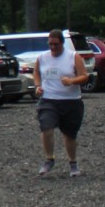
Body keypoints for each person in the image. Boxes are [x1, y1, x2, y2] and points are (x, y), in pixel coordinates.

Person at [34, 28, 88, 178]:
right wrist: (38, 85)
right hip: (49, 99)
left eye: (56, 44)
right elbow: (36, 72)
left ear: (62, 43)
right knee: (46, 128)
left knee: (70, 135)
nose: (53, 47)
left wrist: (71, 81)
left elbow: (84, 76)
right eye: (50, 44)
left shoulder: (73, 57)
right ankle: (49, 159)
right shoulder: (42, 57)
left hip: (71, 101)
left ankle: (73, 162)